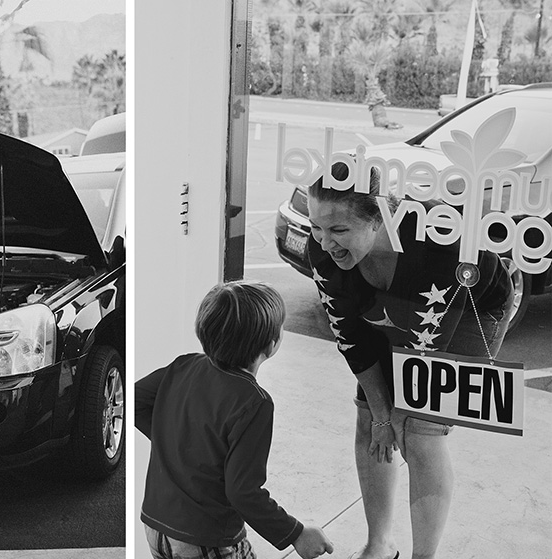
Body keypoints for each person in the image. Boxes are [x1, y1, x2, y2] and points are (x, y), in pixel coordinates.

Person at [306, 162, 513, 559]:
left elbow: (424, 355)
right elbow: (351, 336)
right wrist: (381, 414)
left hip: (471, 306)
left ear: (379, 217)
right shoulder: (323, 249)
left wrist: (397, 416)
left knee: (419, 429)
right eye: (317, 226)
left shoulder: (439, 246)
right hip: (401, 302)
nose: (324, 242)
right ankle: (379, 544)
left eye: (338, 230)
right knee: (371, 421)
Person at [135, 281, 335, 559]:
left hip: (157, 527)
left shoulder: (183, 366)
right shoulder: (254, 403)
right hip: (207, 537)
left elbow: (134, 400)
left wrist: (175, 441)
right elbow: (243, 491)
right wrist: (296, 533)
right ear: (271, 343)